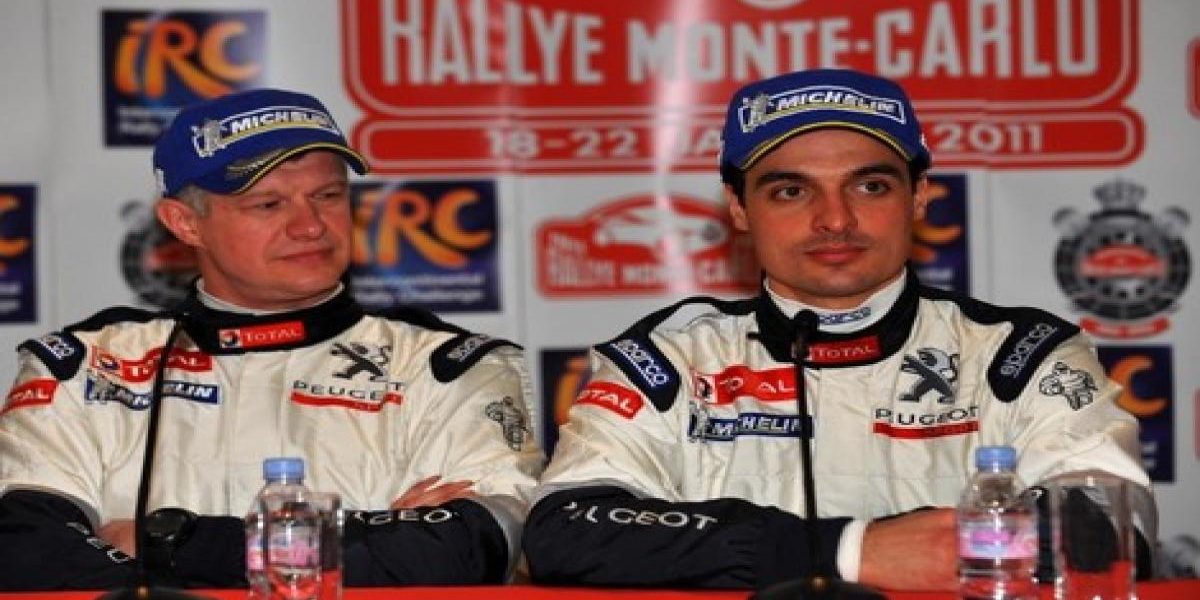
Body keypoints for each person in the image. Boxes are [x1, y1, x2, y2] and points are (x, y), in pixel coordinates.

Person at [522, 69, 1153, 592]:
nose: (835, 220)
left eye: (870, 186)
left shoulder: (1022, 357)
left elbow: (1109, 530)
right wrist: (853, 550)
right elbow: (564, 528)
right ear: (739, 207)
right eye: (791, 191)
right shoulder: (668, 360)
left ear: (919, 196)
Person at [0, 88, 543, 590]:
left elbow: (471, 548)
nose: (311, 226)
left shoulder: (448, 368)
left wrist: (164, 543)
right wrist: (367, 537)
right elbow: (25, 548)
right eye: (269, 204)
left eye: (328, 195)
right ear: (185, 223)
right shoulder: (85, 366)